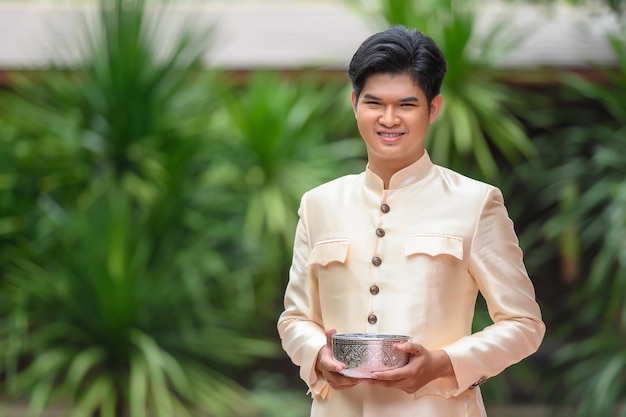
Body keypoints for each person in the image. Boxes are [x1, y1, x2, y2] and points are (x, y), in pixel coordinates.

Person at [276, 25, 545, 417]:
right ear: (354, 103)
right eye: (374, 103)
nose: (389, 119)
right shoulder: (319, 204)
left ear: (432, 109)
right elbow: (295, 317)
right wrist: (317, 355)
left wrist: (443, 363)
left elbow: (524, 324)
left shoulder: (475, 203)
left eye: (406, 104)